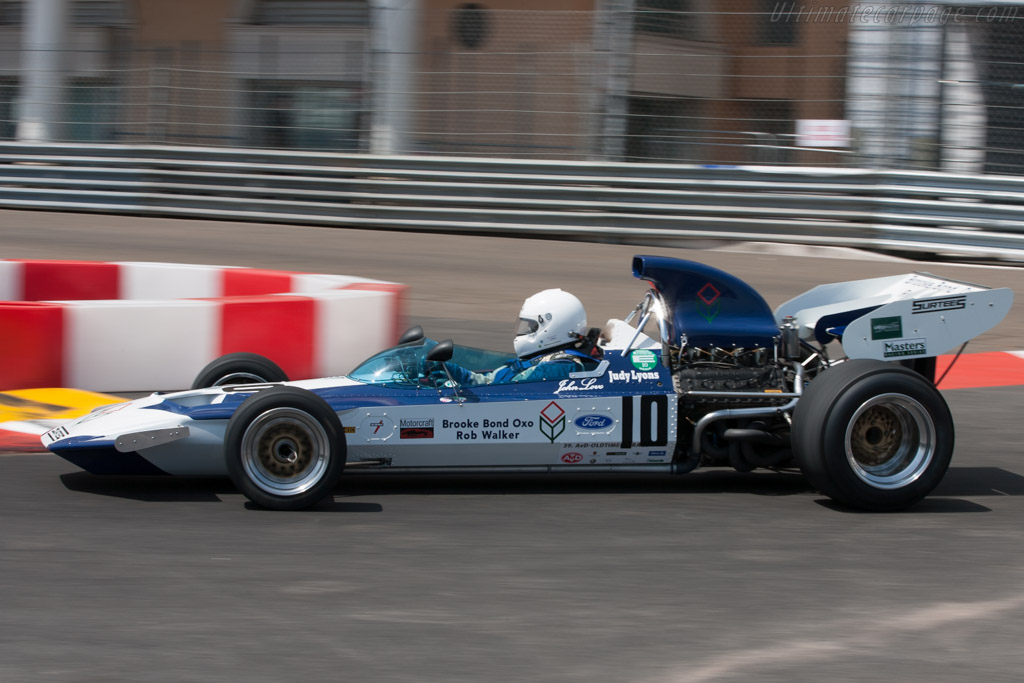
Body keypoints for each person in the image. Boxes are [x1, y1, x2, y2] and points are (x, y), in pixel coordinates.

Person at [435, 289, 601, 386]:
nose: (524, 331)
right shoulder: (541, 360)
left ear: (551, 326)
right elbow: (487, 381)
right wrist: (449, 369)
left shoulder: (557, 368)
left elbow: (497, 389)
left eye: (530, 326)